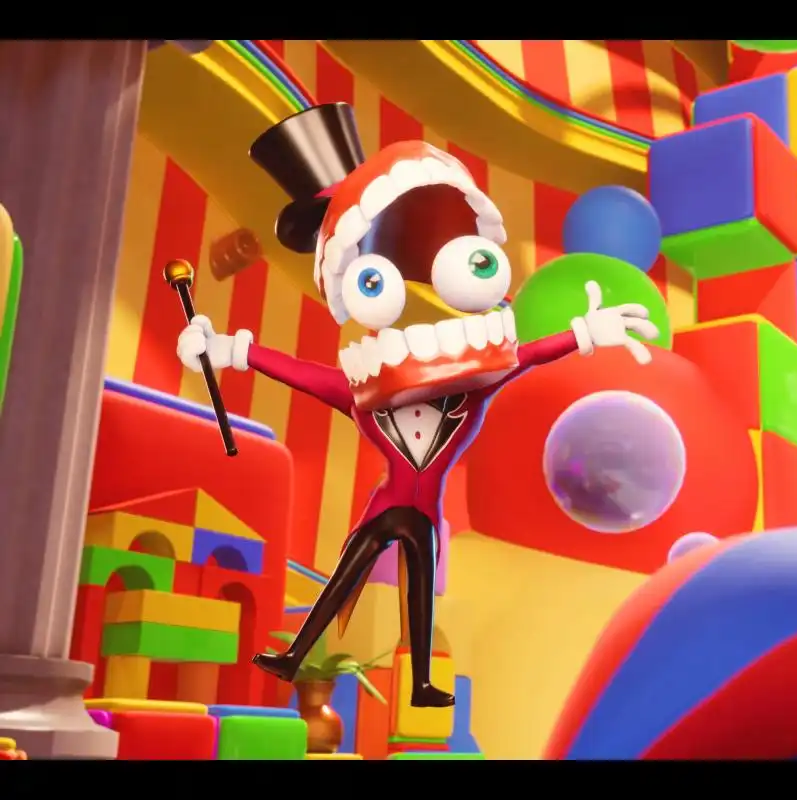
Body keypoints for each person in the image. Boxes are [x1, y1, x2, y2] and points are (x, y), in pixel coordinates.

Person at [175, 103, 657, 707]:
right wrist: (231, 350)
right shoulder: (363, 394)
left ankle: (422, 682)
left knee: (420, 594)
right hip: (385, 507)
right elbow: (303, 376)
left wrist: (585, 331)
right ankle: (294, 656)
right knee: (345, 576)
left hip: (424, 514)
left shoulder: (471, 387)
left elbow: (528, 356)